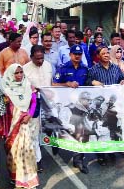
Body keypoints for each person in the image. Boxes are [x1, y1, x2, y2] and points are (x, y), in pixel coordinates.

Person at [52, 44, 90, 174]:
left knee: (80, 132)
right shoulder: (62, 68)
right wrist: (66, 84)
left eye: (80, 54)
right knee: (62, 128)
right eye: (75, 54)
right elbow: (53, 84)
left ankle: (78, 159)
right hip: (64, 106)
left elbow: (89, 86)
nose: (77, 56)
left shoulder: (85, 69)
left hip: (78, 108)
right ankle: (56, 143)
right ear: (70, 55)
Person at [2, 64, 39, 188]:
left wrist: (29, 115)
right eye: (16, 73)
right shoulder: (5, 88)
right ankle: (14, 177)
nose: (19, 75)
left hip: (24, 124)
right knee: (12, 152)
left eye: (20, 72)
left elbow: (34, 102)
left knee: (25, 150)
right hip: (11, 125)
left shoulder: (28, 85)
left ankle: (28, 180)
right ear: (10, 74)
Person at [23, 45, 53, 172]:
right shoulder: (24, 69)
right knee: (34, 133)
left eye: (42, 58)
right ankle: (37, 160)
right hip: (33, 104)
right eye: (37, 59)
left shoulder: (48, 65)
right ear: (31, 57)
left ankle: (44, 148)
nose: (40, 61)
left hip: (48, 103)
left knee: (47, 129)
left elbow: (51, 84)